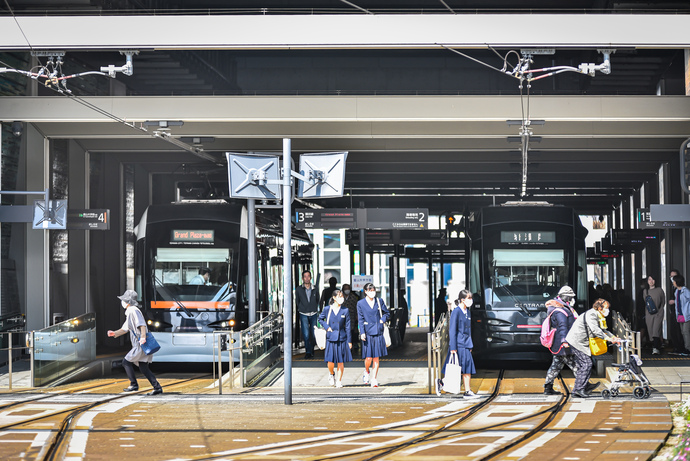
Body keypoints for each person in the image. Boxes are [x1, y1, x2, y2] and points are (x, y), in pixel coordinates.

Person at [107, 290, 163, 395]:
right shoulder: (130, 311)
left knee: (126, 362)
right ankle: (157, 387)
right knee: (143, 367)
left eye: (123, 300)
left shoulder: (133, 310)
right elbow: (125, 328)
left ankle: (133, 384)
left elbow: (141, 324)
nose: (122, 302)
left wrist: (143, 337)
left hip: (140, 343)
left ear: (128, 301)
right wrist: (114, 333)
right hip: (140, 343)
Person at [565, 298, 621, 398]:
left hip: (581, 342)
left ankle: (583, 386)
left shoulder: (598, 315)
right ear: (600, 308)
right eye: (606, 308)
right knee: (586, 364)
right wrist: (608, 339)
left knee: (584, 364)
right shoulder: (592, 315)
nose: (607, 310)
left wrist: (613, 337)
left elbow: (603, 330)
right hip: (577, 341)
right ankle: (579, 389)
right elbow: (595, 330)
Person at [437, 289, 477, 398]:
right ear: (462, 300)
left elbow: (468, 330)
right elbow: (452, 330)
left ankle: (444, 383)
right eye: (469, 298)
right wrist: (453, 347)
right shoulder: (456, 312)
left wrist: (470, 345)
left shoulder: (467, 312)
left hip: (466, 344)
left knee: (465, 368)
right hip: (458, 345)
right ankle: (466, 391)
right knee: (458, 368)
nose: (471, 300)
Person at [356, 283, 389, 388]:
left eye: (373, 290)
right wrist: (362, 332)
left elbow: (386, 313)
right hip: (367, 332)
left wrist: (382, 320)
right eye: (370, 290)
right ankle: (366, 371)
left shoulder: (379, 301)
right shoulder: (360, 303)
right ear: (365, 291)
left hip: (378, 331)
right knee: (368, 358)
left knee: (376, 358)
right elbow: (360, 319)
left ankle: (374, 379)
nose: (372, 292)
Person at [318, 289, 352, 388]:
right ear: (334, 298)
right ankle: (331, 373)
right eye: (339, 296)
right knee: (330, 361)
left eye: (342, 296)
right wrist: (327, 327)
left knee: (341, 361)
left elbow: (348, 326)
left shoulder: (345, 310)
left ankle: (339, 380)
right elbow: (320, 319)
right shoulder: (327, 309)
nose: (341, 298)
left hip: (342, 337)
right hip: (331, 337)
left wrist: (349, 341)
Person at [295, 270, 319, 359]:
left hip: (313, 313)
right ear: (302, 278)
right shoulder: (299, 289)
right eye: (305, 276)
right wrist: (301, 308)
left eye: (308, 276)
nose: (307, 278)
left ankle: (312, 349)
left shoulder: (315, 288)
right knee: (305, 334)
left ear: (311, 277)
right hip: (303, 313)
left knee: (313, 334)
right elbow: (297, 301)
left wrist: (315, 308)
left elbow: (317, 299)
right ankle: (308, 352)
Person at [644, 275, 665, 355]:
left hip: (658, 313)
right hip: (649, 314)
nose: (651, 281)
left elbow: (663, 301)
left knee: (656, 330)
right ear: (647, 281)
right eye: (649, 279)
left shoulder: (659, 290)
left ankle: (655, 348)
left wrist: (660, 310)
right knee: (651, 331)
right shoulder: (645, 291)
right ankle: (657, 345)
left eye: (653, 279)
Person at [668, 269, 687, 355]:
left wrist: (674, 301)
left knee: (683, 332)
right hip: (677, 313)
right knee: (676, 331)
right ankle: (678, 347)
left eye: (674, 277)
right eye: (671, 277)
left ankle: (684, 348)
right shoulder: (675, 290)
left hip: (684, 314)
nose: (672, 279)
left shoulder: (684, 290)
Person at [672, 275, 690, 353]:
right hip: (680, 314)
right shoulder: (676, 291)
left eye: (674, 281)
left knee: (686, 331)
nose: (673, 283)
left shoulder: (685, 291)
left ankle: (688, 348)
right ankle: (684, 347)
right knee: (682, 332)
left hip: (686, 314)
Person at [342, 283, 360, 351]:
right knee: (343, 329)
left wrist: (356, 316)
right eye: (345, 289)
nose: (347, 290)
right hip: (342, 316)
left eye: (348, 289)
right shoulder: (340, 296)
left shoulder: (353, 297)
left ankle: (351, 344)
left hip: (351, 316)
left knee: (351, 330)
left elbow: (356, 307)